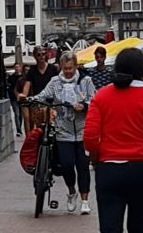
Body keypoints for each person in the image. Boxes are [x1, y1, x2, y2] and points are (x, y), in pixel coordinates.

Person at [84, 47, 143, 233]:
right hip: (141, 167)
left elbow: (90, 136)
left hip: (109, 167)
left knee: (109, 226)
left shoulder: (102, 96)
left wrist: (97, 155)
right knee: (139, 225)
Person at [28, 50, 95, 214]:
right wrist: (30, 99)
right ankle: (72, 192)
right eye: (65, 68)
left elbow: (94, 100)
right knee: (66, 165)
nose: (68, 71)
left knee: (83, 166)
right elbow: (44, 95)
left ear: (76, 66)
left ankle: (85, 201)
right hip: (63, 131)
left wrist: (84, 106)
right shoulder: (55, 81)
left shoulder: (85, 80)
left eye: (70, 68)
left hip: (81, 130)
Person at [22, 46, 59, 131]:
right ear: (35, 56)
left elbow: (58, 84)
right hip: (38, 102)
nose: (41, 56)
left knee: (53, 126)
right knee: (39, 128)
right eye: (39, 55)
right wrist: (23, 96)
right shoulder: (32, 71)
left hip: (51, 102)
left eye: (43, 54)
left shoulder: (52, 68)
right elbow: (27, 85)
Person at [6, 60, 27, 135]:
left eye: (18, 67)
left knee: (21, 114)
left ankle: (19, 128)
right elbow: (10, 88)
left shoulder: (23, 77)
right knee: (17, 114)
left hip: (22, 98)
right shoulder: (11, 77)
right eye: (15, 67)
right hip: (14, 98)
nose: (17, 68)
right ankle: (18, 130)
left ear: (20, 68)